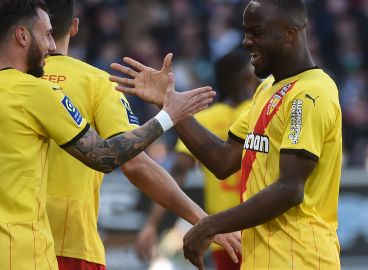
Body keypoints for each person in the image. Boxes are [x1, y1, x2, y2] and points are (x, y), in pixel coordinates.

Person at [0, 1, 217, 269]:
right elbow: (106, 156)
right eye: (46, 35)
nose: (52, 46)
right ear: (22, 35)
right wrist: (168, 116)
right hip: (26, 254)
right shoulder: (38, 91)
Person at [110, 0, 342, 269]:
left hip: (300, 259)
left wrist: (210, 224)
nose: (246, 42)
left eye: (257, 33)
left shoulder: (311, 94)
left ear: (290, 33)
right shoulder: (267, 89)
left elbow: (290, 189)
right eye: (245, 32)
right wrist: (168, 103)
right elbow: (222, 160)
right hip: (262, 258)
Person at [39, 1, 240, 269]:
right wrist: (204, 220)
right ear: (75, 27)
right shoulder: (97, 82)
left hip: (5, 244)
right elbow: (135, 164)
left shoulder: (1, 85)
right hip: (69, 244)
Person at [135, 49, 258, 270]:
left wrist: (151, 225)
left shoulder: (202, 121)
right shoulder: (262, 112)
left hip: (225, 237)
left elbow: (177, 173)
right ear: (249, 76)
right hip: (262, 231)